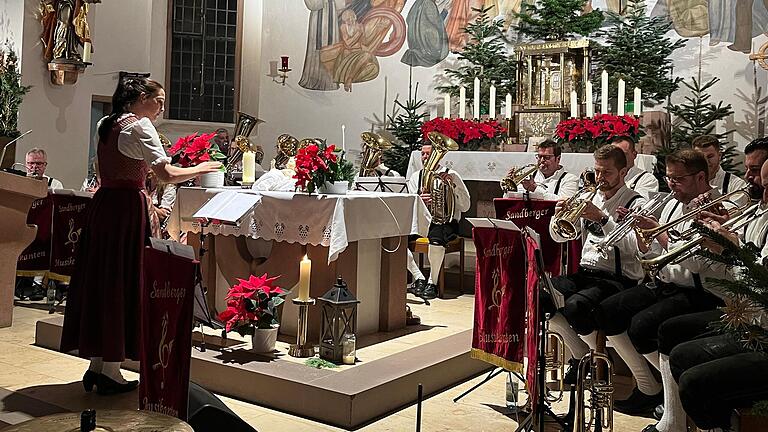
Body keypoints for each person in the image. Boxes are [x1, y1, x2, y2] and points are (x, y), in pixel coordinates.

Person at [60, 78, 221, 395]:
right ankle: (109, 371)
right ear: (139, 98)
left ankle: (97, 367)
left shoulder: (107, 123)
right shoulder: (141, 127)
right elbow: (166, 174)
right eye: (158, 100)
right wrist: (203, 167)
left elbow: (108, 164)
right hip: (126, 211)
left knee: (104, 281)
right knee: (123, 281)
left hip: (104, 205)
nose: (161, 107)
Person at [644, 139, 768, 432]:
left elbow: (755, 279)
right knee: (678, 349)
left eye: (760, 178)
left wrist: (731, 247)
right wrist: (727, 232)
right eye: (752, 173)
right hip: (747, 316)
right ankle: (678, 421)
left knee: (695, 380)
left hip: (754, 324)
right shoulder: (758, 212)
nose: (753, 183)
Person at [594, 149, 727, 416]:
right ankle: (651, 387)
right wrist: (645, 239)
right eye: (668, 178)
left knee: (643, 326)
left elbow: (696, 263)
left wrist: (661, 235)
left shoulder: (719, 208)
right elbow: (653, 253)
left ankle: (674, 398)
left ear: (701, 177)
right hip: (667, 283)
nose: (671, 185)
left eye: (678, 179)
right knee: (608, 311)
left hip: (700, 291)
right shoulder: (671, 204)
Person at [544, 144, 646, 384]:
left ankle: (597, 358)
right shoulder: (590, 197)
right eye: (597, 171)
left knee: (576, 306)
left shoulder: (635, 202)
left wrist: (602, 218)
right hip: (586, 272)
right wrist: (558, 217)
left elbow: (634, 247)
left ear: (623, 173)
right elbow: (560, 236)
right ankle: (582, 354)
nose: (599, 178)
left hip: (618, 277)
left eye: (607, 173)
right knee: (540, 293)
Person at [406, 142, 470, 300]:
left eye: (429, 153)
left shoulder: (452, 174)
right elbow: (409, 204)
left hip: (445, 222)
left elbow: (466, 205)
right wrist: (419, 200)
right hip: (421, 221)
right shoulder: (416, 176)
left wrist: (453, 185)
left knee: (436, 240)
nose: (425, 157)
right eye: (423, 154)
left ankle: (432, 283)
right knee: (396, 239)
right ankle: (419, 277)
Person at [507, 139, 579, 200]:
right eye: (539, 156)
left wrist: (535, 189)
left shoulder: (570, 179)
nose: (541, 160)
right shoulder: (530, 176)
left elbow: (565, 203)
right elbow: (512, 200)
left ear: (558, 159)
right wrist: (510, 189)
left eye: (547, 157)